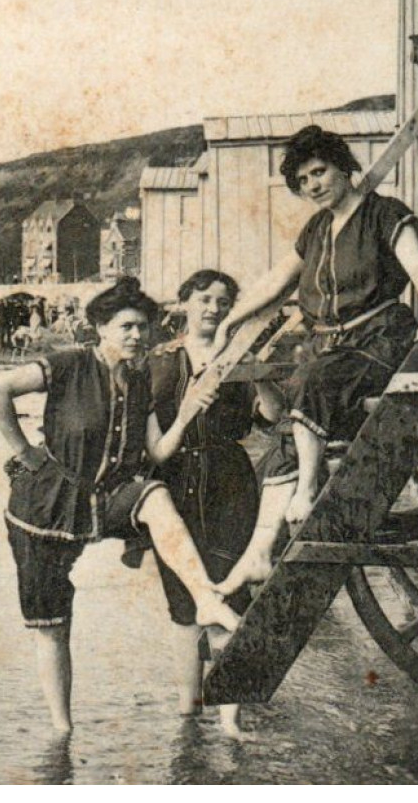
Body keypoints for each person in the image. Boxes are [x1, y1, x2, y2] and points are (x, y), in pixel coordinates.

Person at [0, 276, 241, 734]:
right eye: (125, 327)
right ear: (100, 327)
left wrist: (184, 414)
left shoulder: (140, 377)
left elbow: (158, 454)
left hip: (104, 499)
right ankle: (62, 730)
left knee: (154, 495)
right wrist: (27, 453)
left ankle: (205, 600)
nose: (136, 336)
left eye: (143, 327)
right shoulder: (68, 365)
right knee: (52, 623)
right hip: (44, 508)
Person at [212, 125, 418, 592]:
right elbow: (274, 282)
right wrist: (229, 321)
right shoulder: (317, 229)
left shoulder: (384, 214)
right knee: (286, 434)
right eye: (303, 181)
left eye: (319, 172)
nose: (313, 185)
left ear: (342, 166)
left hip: (381, 338)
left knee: (315, 382)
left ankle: (306, 492)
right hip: (333, 345)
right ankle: (259, 554)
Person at [145, 269, 282, 735]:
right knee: (183, 599)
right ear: (184, 303)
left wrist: (259, 372)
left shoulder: (239, 357)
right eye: (204, 298)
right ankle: (188, 712)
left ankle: (229, 718)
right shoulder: (158, 361)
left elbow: (274, 416)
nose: (214, 308)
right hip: (176, 478)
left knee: (230, 590)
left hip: (229, 481)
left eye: (224, 301)